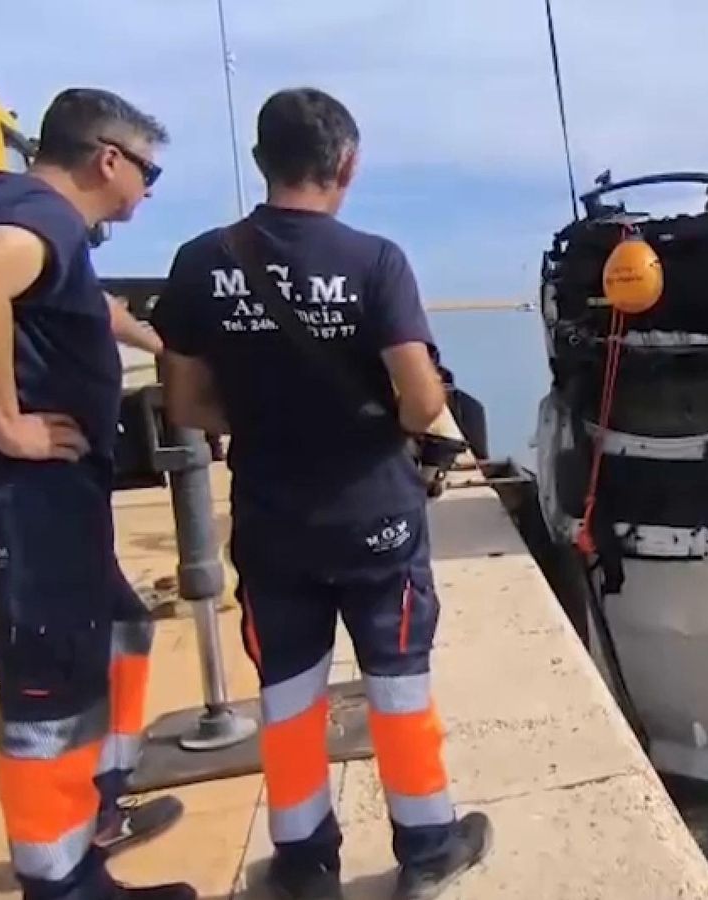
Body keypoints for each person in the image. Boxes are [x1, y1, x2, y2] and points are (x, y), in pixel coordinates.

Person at [151, 88, 490, 900]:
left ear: (264, 160)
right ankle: (428, 844)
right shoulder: (376, 262)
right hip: (375, 515)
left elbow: (188, 406)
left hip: (272, 519)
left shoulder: (202, 262)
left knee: (290, 694)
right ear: (348, 163)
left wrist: (270, 414)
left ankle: (305, 863)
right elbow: (420, 402)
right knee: (398, 686)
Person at [0, 88, 194, 899]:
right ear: (110, 159)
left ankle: (98, 805)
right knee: (47, 685)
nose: (146, 189)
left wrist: (158, 338)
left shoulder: (26, 210)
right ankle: (61, 881)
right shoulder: (41, 215)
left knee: (122, 629)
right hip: (25, 500)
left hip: (56, 504)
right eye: (149, 172)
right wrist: (8, 424)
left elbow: (69, 301)